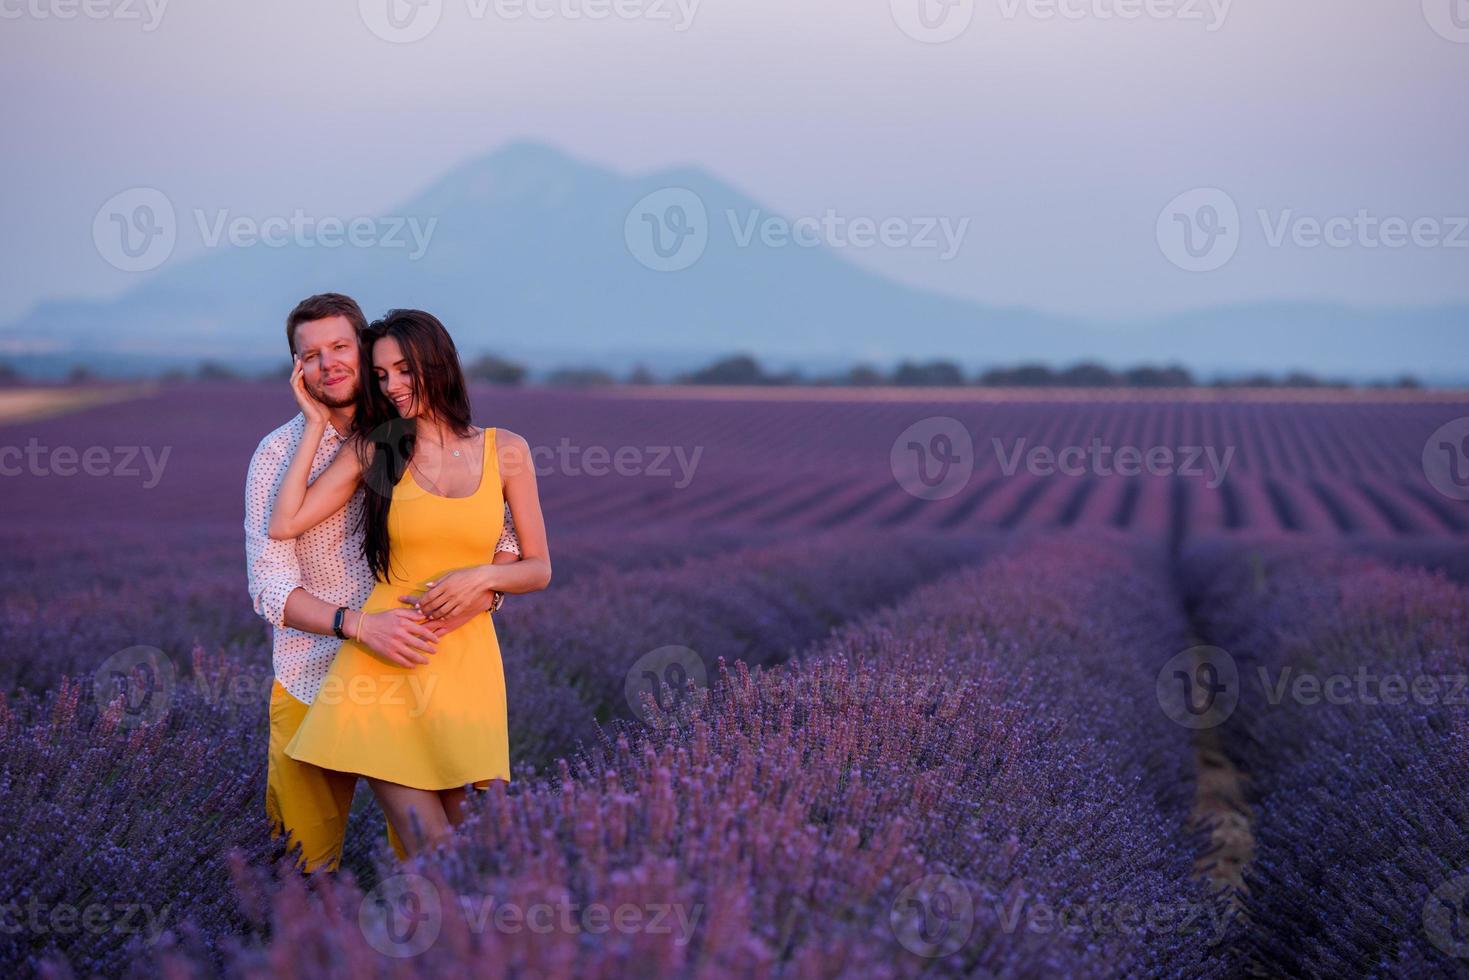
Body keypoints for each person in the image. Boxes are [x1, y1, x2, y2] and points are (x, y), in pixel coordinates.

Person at [245, 292, 524, 872]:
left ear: (365, 348)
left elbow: (501, 541)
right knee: (303, 869)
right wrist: (360, 626)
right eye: (311, 355)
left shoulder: (407, 432)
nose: (329, 364)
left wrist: (484, 588)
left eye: (341, 347)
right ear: (296, 367)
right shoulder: (276, 457)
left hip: (422, 667)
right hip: (311, 677)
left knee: (434, 864)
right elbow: (269, 588)